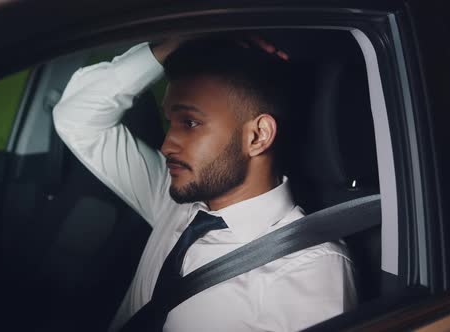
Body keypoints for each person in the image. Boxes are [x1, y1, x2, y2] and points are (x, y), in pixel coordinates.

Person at [53, 36, 357, 332]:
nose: (167, 145)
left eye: (190, 123)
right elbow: (77, 118)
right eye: (170, 121)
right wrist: (173, 43)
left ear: (257, 136)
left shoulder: (309, 268)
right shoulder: (174, 197)